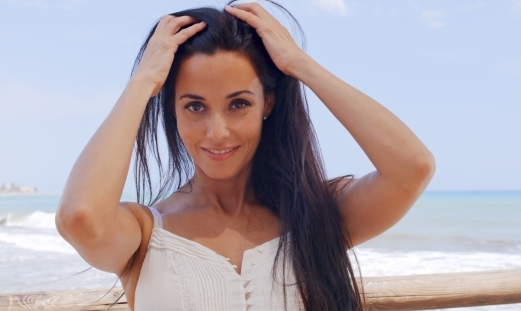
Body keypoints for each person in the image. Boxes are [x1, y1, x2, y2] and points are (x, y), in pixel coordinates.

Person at [55, 1, 435, 310]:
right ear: (171, 109)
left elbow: (412, 167)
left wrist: (300, 65)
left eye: (238, 103)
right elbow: (80, 217)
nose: (217, 132)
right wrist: (141, 84)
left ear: (267, 103)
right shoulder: (146, 234)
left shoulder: (316, 215)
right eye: (194, 107)